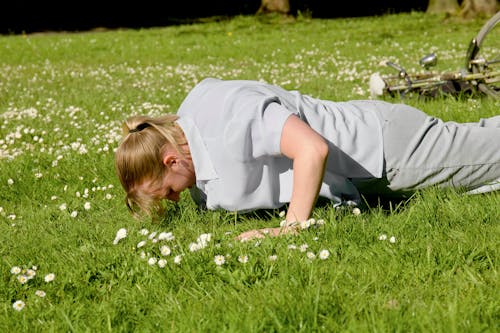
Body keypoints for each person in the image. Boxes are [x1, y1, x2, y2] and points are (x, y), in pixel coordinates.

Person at [115, 77, 500, 240]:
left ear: (170, 161)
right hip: (372, 139)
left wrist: (292, 227)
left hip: (385, 152)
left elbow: (312, 149)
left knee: (491, 157)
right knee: (482, 140)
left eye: (167, 192)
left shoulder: (233, 120)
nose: (176, 200)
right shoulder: (189, 126)